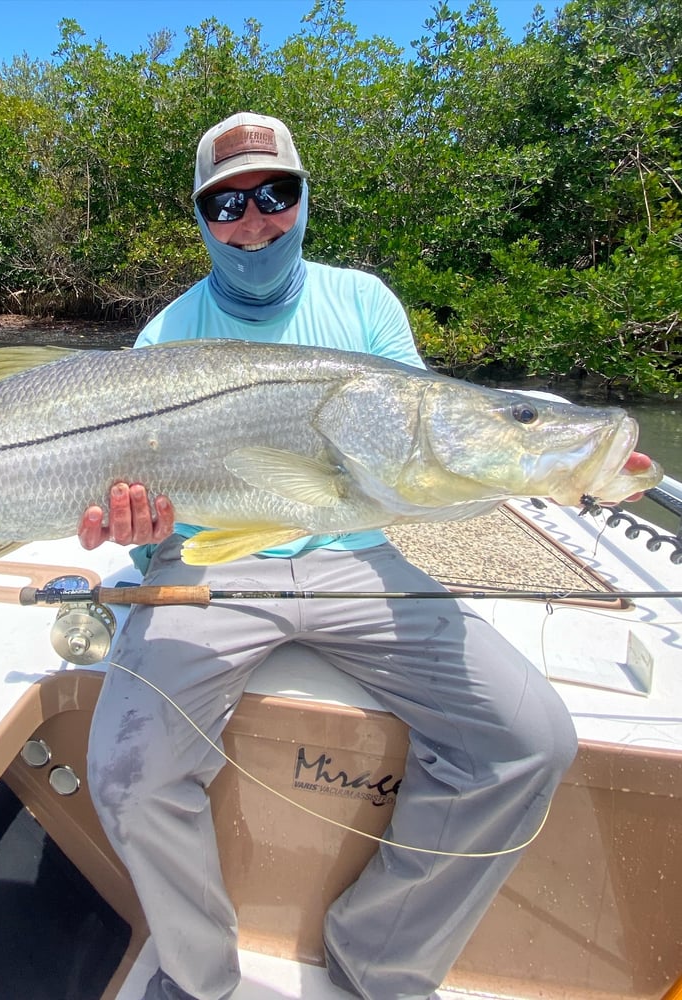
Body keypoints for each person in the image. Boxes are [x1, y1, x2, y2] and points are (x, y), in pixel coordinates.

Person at [78, 112, 642, 1000]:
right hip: (210, 573)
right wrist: (140, 531)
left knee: (530, 739)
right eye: (226, 204)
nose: (254, 220)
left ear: (304, 200)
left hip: (356, 559)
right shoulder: (164, 336)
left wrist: (553, 466)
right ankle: (195, 978)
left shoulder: (365, 303)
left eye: (275, 194)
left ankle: (378, 960)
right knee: (127, 774)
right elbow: (152, 513)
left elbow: (429, 456)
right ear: (199, 217)